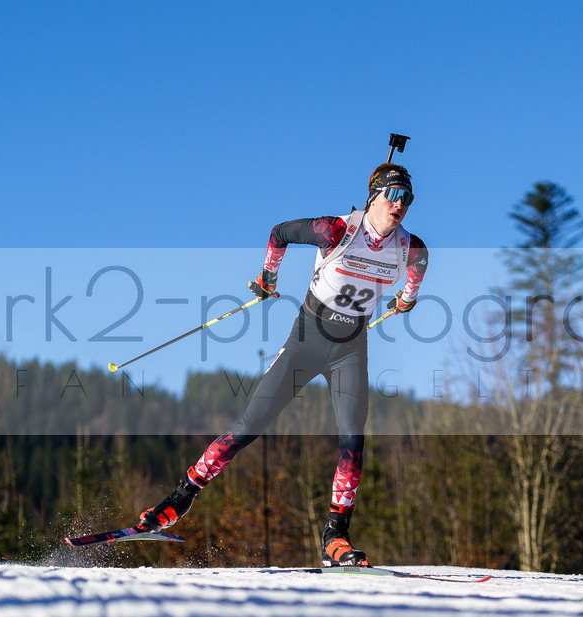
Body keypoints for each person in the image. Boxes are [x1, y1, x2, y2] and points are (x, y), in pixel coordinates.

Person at [136, 162, 429, 566]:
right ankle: (177, 500)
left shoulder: (411, 248)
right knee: (249, 426)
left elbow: (416, 273)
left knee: (353, 441)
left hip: (350, 348)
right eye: (393, 195)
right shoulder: (337, 230)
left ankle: (335, 537)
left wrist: (405, 299)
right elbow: (279, 232)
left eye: (407, 199)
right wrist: (267, 276)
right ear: (374, 196)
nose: (400, 205)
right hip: (307, 341)